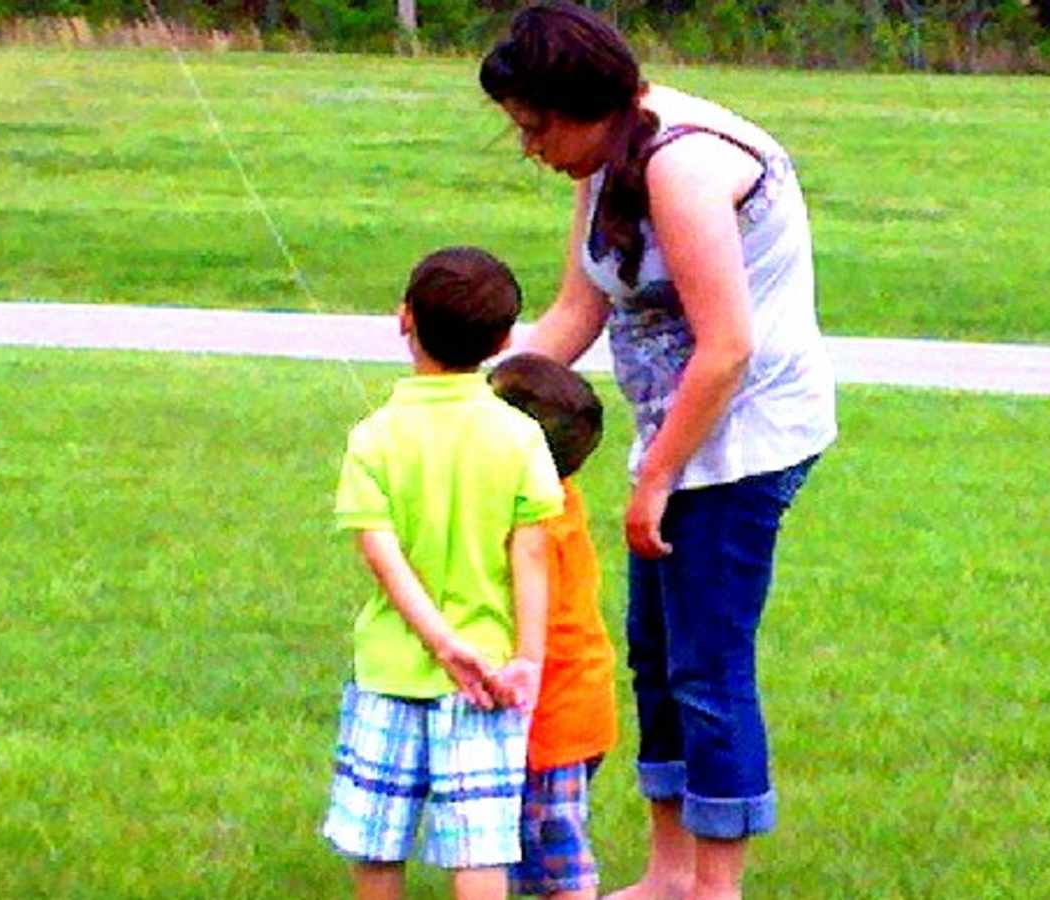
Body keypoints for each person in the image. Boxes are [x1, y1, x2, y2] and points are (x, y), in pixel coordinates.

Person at [480, 5, 838, 898]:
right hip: (677, 437)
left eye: (536, 127)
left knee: (708, 666)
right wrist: (467, 405)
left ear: (587, 106)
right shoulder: (606, 160)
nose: (530, 147)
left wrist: (658, 476)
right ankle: (670, 876)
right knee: (656, 654)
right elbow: (577, 311)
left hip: (742, 442)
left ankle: (716, 888)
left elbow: (727, 349)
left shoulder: (681, 166)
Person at [321, 246, 565, 900]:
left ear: (404, 318)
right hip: (490, 678)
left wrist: (439, 643)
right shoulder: (520, 437)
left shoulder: (374, 437)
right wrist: (528, 659)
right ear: (505, 341)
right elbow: (531, 554)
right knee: (480, 849)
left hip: (389, 670)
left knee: (376, 846)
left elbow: (383, 557)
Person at [489, 352, 618, 900]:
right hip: (579, 703)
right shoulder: (560, 496)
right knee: (534, 835)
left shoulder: (533, 525)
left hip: (554, 715)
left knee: (558, 844)